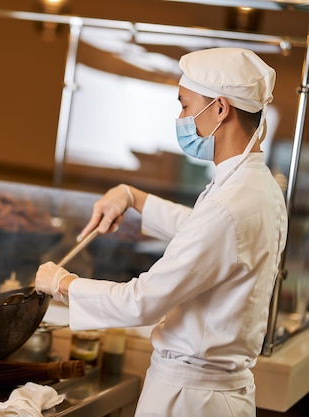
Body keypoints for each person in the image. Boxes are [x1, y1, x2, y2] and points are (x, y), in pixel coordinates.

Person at [35, 47, 288, 417]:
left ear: (220, 109)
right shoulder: (258, 187)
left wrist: (63, 283)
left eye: (185, 106)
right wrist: (133, 197)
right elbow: (204, 234)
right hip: (215, 395)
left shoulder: (228, 205)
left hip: (190, 399)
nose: (182, 118)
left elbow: (143, 302)